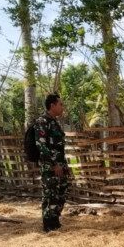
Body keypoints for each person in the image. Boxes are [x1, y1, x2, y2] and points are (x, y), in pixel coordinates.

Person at [35, 93, 70, 232]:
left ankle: (55, 221)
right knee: (50, 195)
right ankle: (48, 225)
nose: (62, 107)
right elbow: (42, 147)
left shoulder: (54, 122)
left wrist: (64, 165)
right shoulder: (42, 122)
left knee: (60, 193)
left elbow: (59, 148)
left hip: (60, 166)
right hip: (50, 167)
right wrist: (54, 164)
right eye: (60, 104)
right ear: (52, 105)